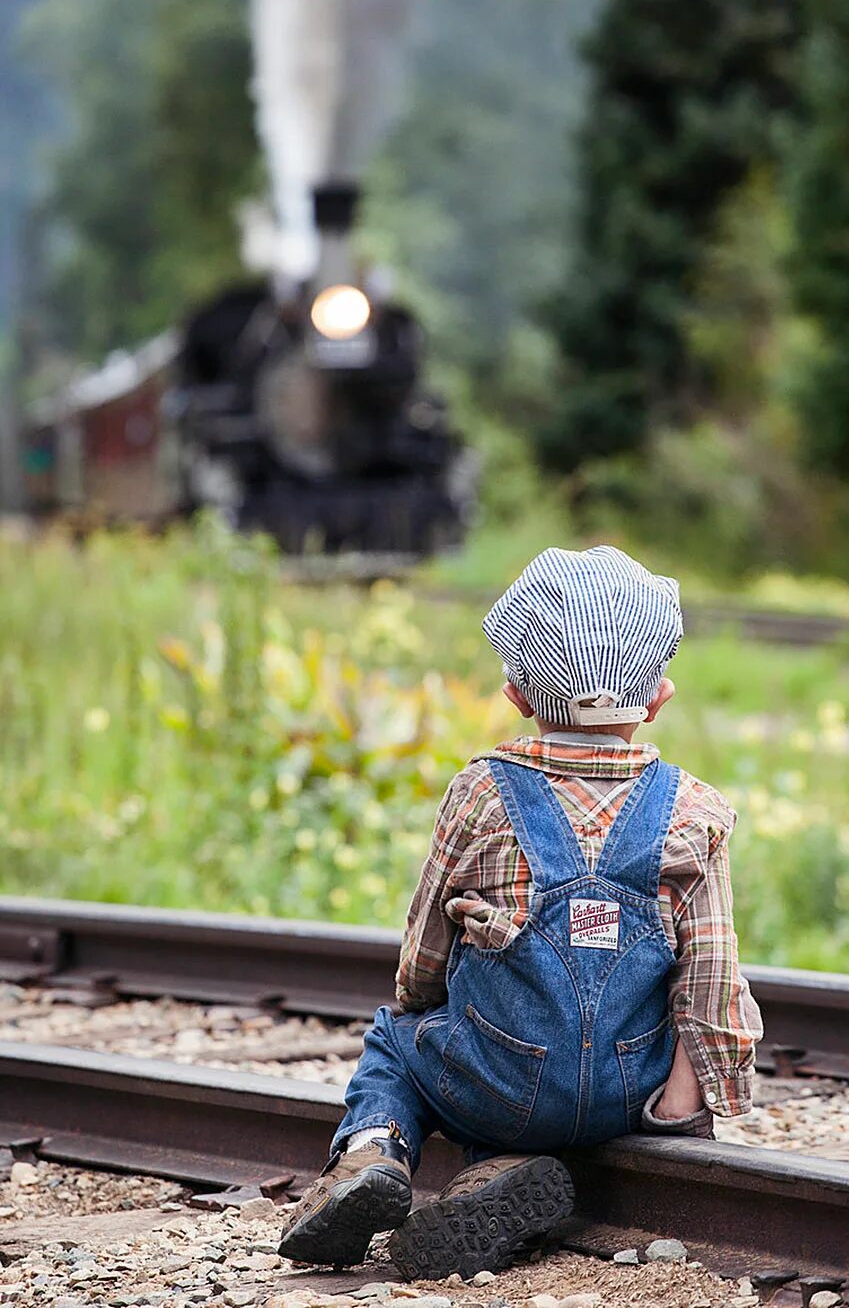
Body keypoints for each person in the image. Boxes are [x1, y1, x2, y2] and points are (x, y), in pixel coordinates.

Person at [278, 546, 763, 1278]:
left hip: (500, 1080)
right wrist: (682, 1110)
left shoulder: (482, 793)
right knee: (536, 1077)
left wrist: (421, 1006)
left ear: (514, 694)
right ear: (660, 695)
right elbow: (712, 977)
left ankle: (373, 1153)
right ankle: (496, 1175)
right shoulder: (694, 813)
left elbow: (425, 952)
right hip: (625, 1096)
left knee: (396, 1041)